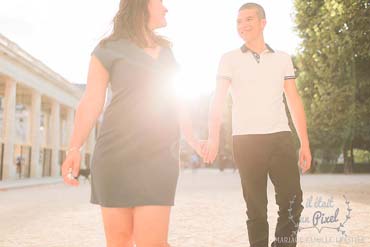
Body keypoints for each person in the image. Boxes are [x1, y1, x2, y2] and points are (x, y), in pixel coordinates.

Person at [61, 1, 202, 246]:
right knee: (120, 241)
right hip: (115, 154)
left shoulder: (167, 51)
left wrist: (193, 138)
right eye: (160, 2)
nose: (166, 8)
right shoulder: (107, 49)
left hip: (160, 156)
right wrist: (75, 147)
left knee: (154, 242)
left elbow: (178, 99)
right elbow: (91, 101)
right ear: (142, 5)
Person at [202, 3, 312, 247]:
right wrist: (213, 138)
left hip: (280, 137)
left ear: (263, 22)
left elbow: (294, 101)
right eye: (239, 21)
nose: (243, 25)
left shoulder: (283, 58)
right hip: (246, 140)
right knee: (256, 210)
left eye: (249, 19)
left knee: (293, 202)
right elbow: (217, 100)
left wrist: (304, 143)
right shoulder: (228, 59)